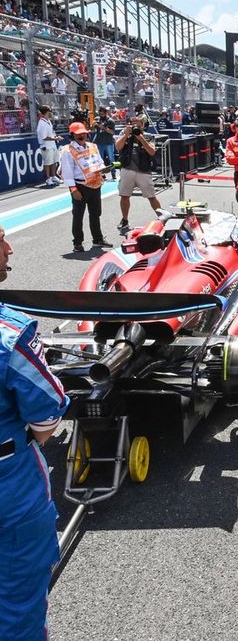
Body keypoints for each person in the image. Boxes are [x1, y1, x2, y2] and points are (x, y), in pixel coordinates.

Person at [0, 226, 71, 639]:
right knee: (18, 608)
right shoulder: (11, 334)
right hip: (10, 487)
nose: (9, 247)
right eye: (0, 239)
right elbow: (46, 418)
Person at [61, 122, 110, 252]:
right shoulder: (67, 151)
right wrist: (73, 189)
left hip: (95, 184)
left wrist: (103, 170)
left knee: (96, 213)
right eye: (79, 134)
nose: (82, 136)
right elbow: (67, 172)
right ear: (72, 135)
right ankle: (77, 243)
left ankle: (97, 239)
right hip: (79, 186)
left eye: (84, 133)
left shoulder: (93, 146)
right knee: (78, 215)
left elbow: (99, 162)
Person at [114, 115, 161, 234]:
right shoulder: (125, 133)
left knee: (151, 196)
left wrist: (141, 139)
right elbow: (118, 147)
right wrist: (126, 135)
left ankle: (162, 218)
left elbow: (152, 151)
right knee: (124, 195)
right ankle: (124, 220)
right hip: (127, 168)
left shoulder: (148, 136)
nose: (135, 124)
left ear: (143, 124)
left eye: (138, 123)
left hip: (143, 170)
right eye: (133, 122)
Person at [36, 106, 61, 187]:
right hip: (46, 146)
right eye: (49, 112)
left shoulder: (48, 121)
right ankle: (48, 179)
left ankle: (53, 177)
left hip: (52, 145)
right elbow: (44, 137)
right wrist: (55, 138)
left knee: (54, 161)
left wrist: (56, 137)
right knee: (47, 163)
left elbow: (52, 133)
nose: (51, 113)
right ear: (45, 113)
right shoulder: (41, 123)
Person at [93, 107, 117, 180]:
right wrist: (93, 125)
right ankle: (102, 174)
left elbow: (112, 132)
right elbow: (92, 129)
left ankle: (113, 173)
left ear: (106, 113)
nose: (101, 115)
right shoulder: (97, 119)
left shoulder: (110, 121)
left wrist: (103, 127)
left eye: (102, 114)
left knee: (111, 158)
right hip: (99, 142)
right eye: (100, 113)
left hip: (108, 142)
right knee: (100, 159)